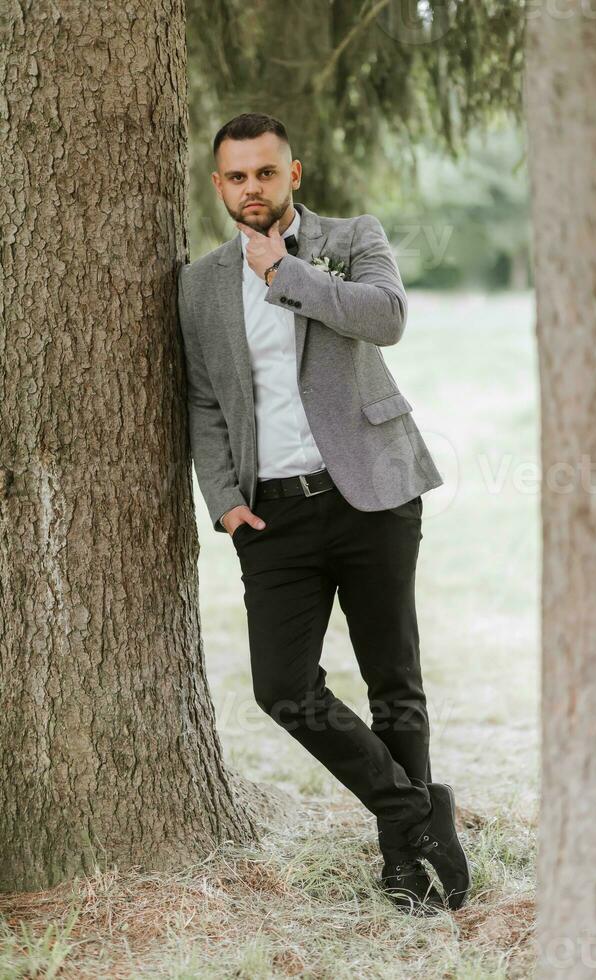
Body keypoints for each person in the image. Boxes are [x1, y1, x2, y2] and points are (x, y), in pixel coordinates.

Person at [177, 111, 470, 915]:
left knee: (392, 679)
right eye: (236, 177)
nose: (251, 190)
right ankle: (414, 810)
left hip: (372, 492)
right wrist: (226, 502)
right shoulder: (200, 284)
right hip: (272, 515)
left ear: (292, 175)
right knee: (282, 687)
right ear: (218, 185)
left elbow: (388, 318)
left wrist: (289, 275)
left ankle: (402, 864)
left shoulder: (352, 238)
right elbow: (204, 400)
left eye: (265, 174)